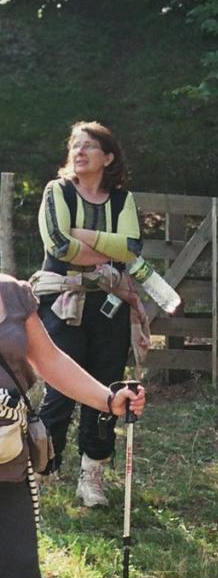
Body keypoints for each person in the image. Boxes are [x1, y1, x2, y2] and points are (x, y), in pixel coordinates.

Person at [0, 272, 145, 578]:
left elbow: (51, 361)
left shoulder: (12, 294)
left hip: (6, 452)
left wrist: (107, 398)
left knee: (20, 562)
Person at [34, 121, 143, 507]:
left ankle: (91, 477)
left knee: (107, 389)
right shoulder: (57, 191)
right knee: (60, 386)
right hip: (63, 301)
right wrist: (107, 251)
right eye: (75, 146)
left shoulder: (121, 200)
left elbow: (131, 247)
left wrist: (85, 238)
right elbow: (59, 244)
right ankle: (43, 470)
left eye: (89, 146)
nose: (79, 152)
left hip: (109, 305)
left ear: (108, 157)